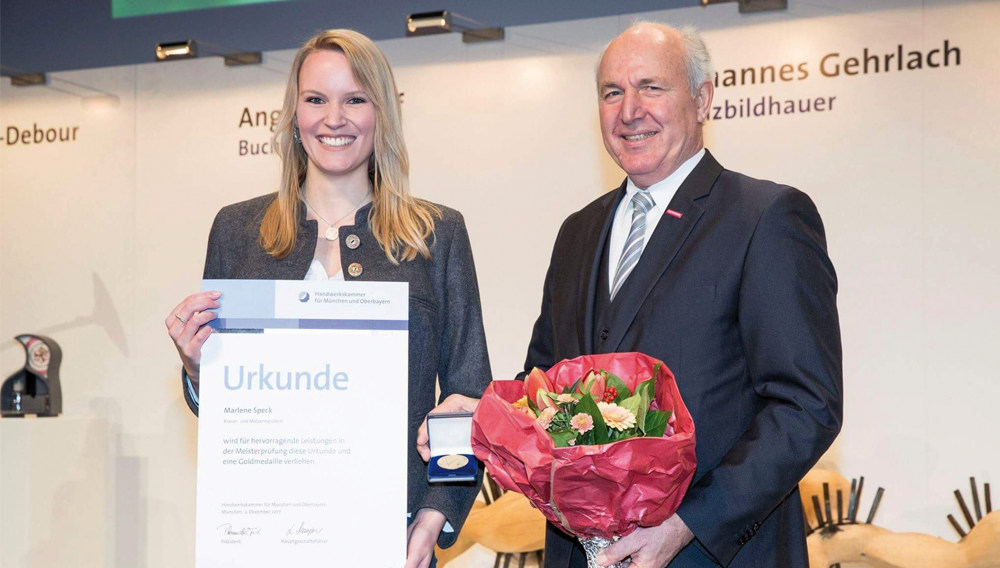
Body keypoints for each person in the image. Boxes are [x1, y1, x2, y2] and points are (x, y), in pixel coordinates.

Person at [520, 23, 843, 568]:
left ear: (702, 98)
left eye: (651, 87)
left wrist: (687, 524)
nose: (629, 111)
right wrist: (482, 414)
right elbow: (545, 385)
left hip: (708, 554)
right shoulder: (577, 232)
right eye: (612, 92)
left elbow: (805, 404)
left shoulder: (766, 218)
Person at [164, 29, 491, 568]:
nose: (332, 119)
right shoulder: (237, 231)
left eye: (354, 99)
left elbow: (468, 397)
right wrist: (199, 369)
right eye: (316, 99)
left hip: (394, 539)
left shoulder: (437, 232)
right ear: (294, 114)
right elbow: (224, 413)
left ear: (381, 112)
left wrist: (432, 521)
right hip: (262, 538)